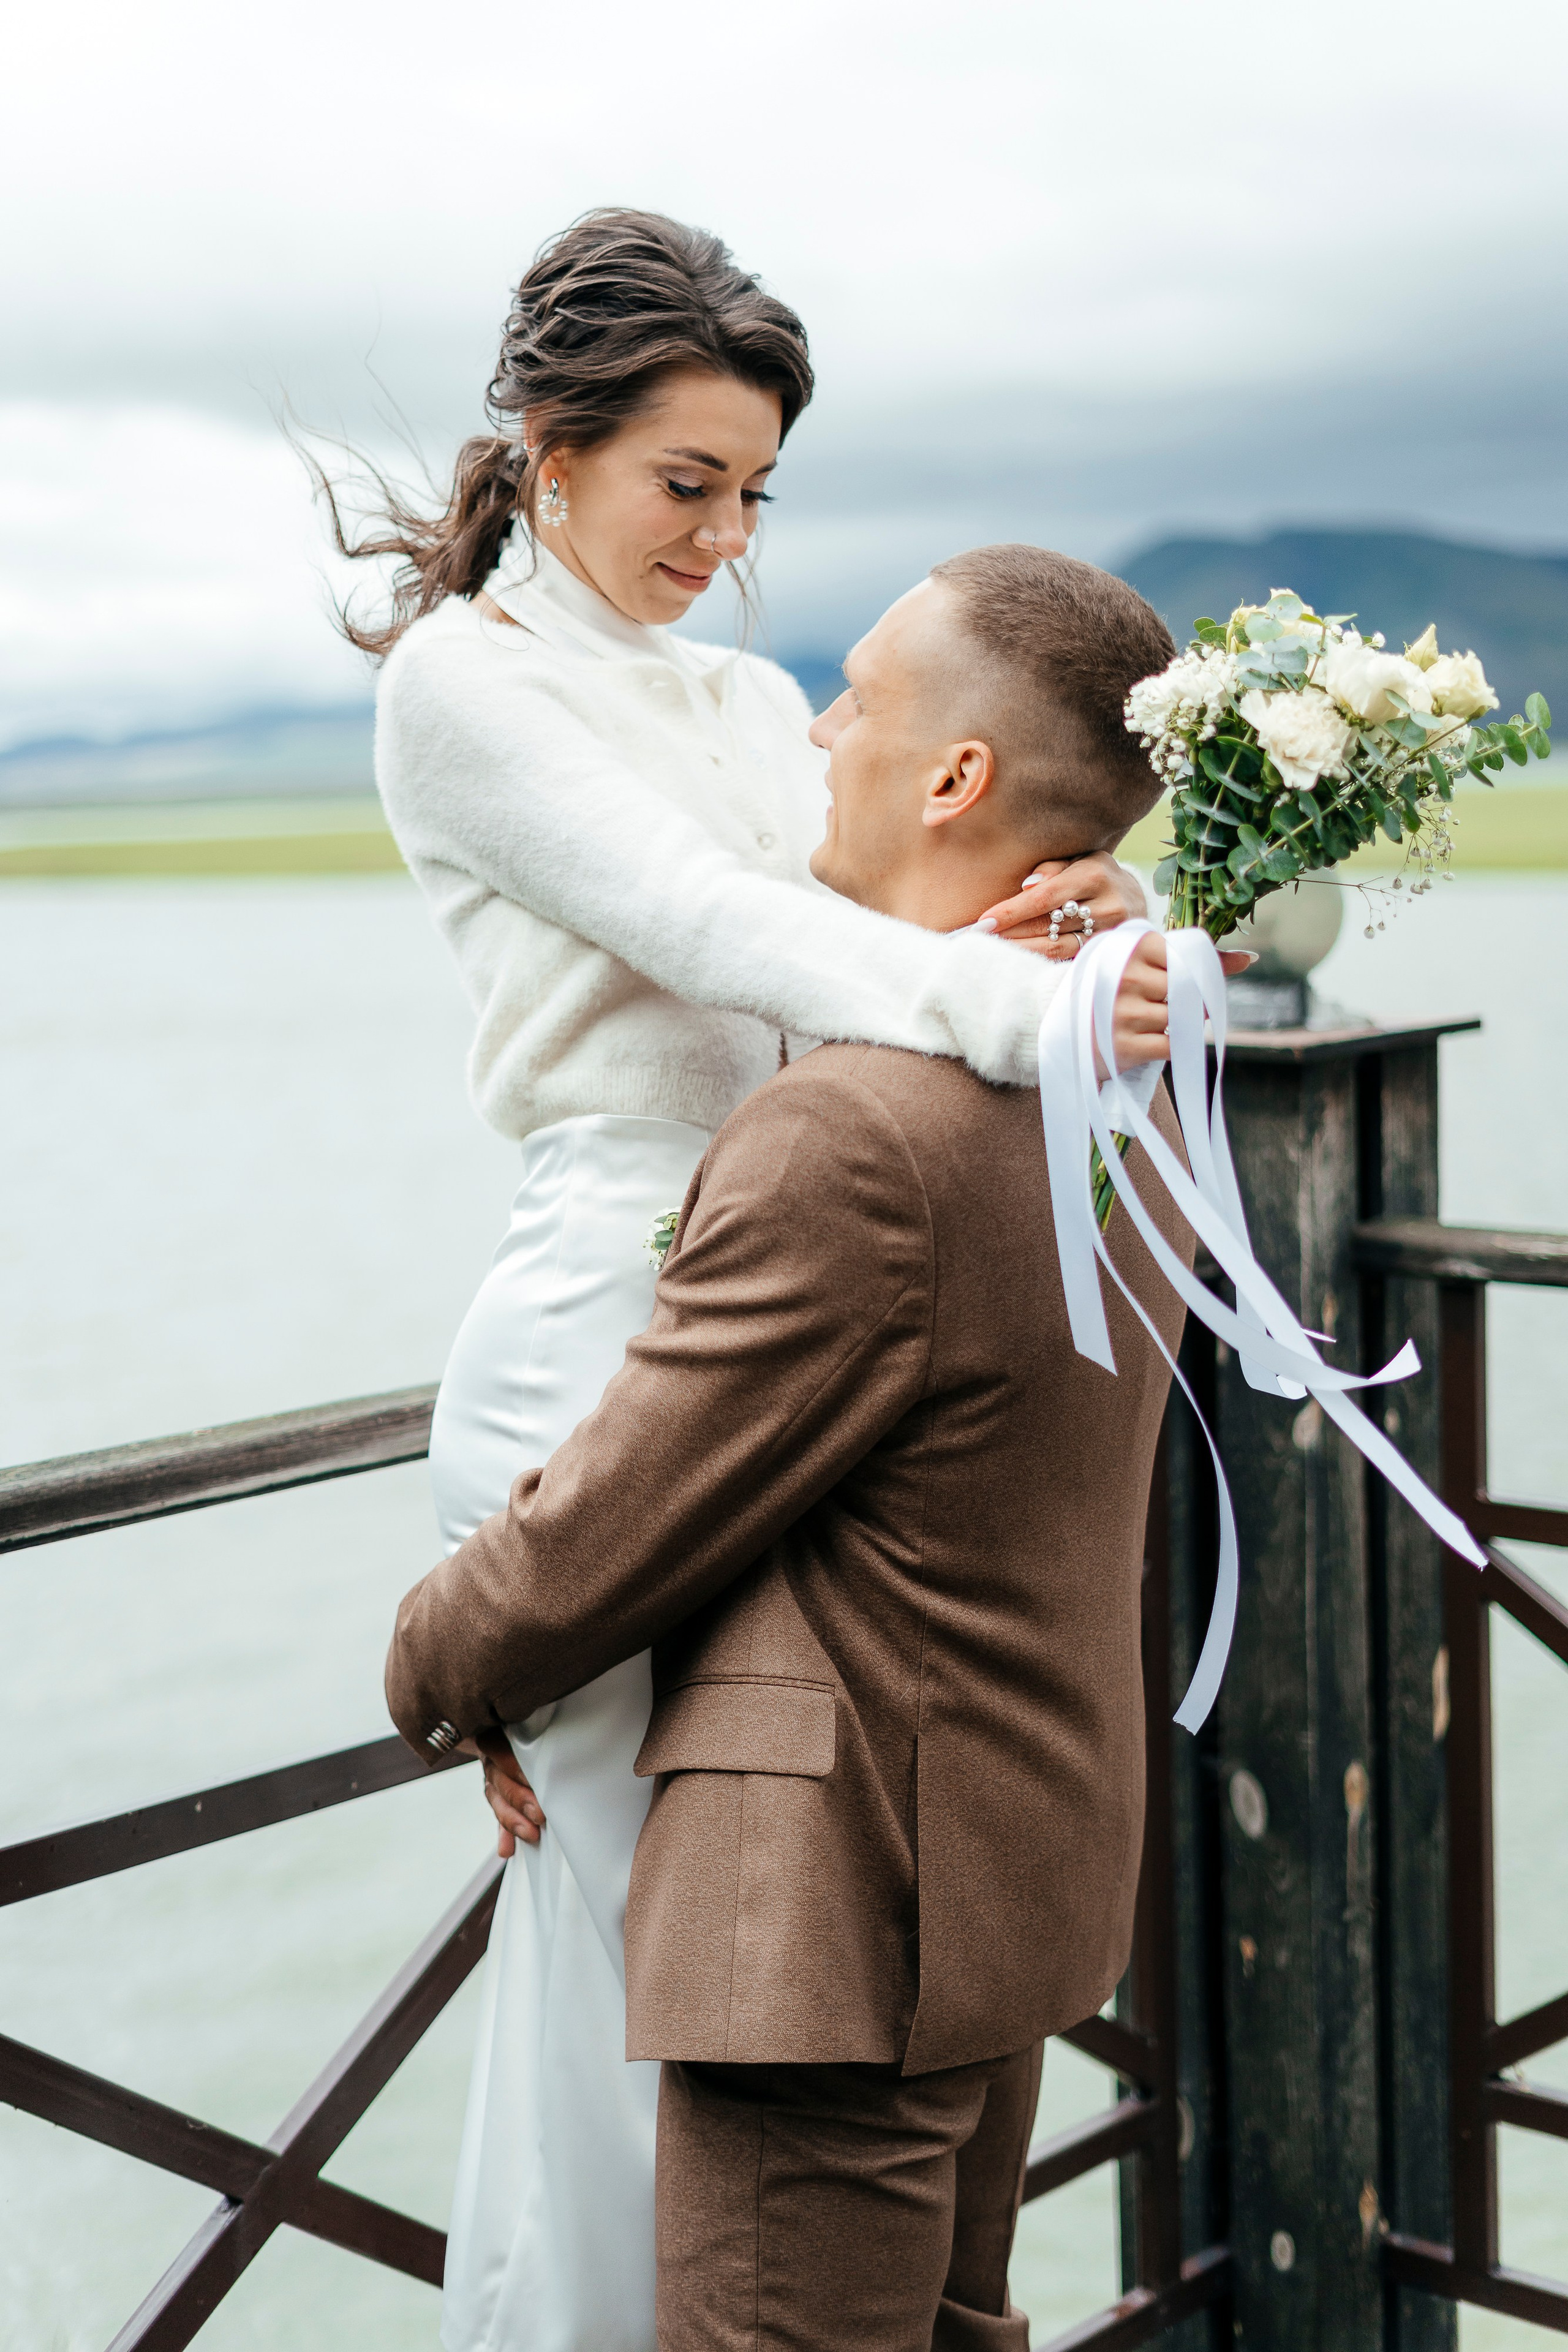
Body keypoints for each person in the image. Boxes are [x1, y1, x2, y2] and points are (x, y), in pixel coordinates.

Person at [341, 209, 1174, 2352]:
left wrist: (1056, 923)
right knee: (639, 1961)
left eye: (752, 494)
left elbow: (862, 939)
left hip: (791, 1303)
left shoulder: (730, 692)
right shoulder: (465, 690)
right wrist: (1032, 1025)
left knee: (744, 1924)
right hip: (598, 1348)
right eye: (681, 484)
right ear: (550, 451)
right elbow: (725, 940)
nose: (722, 541)